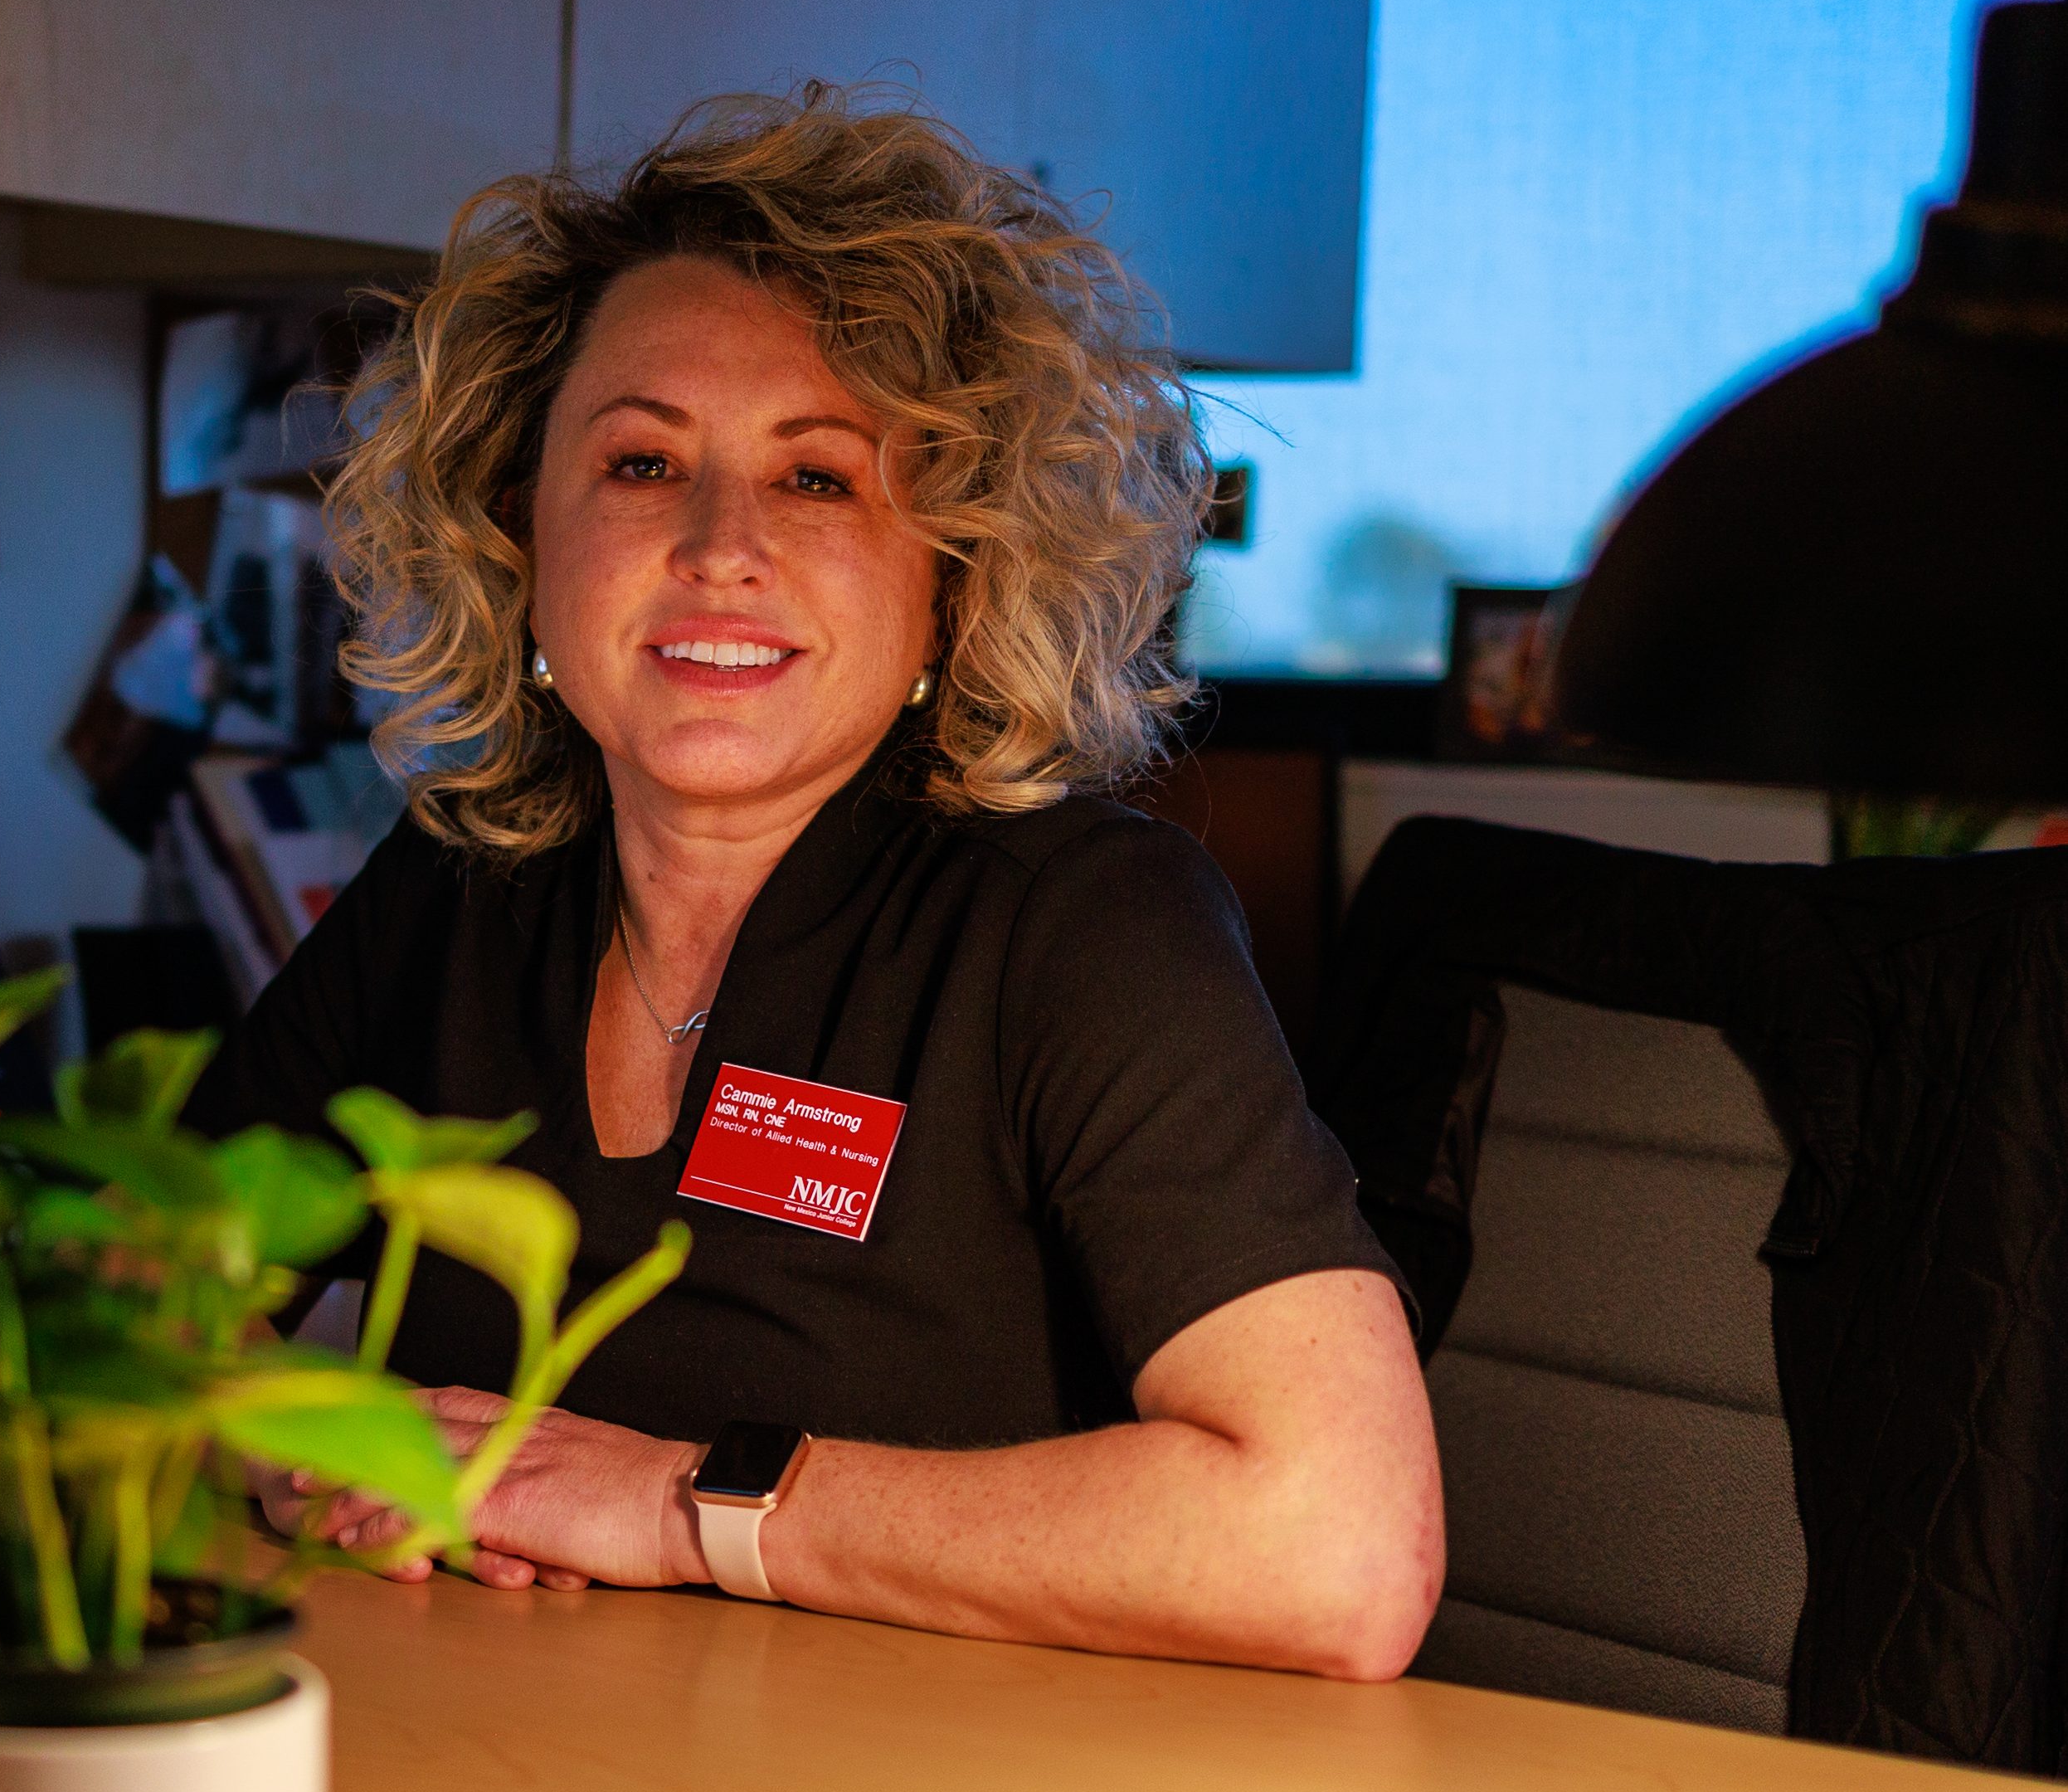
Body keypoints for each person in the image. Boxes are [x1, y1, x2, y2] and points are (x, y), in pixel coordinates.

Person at [187, 91, 1441, 1679]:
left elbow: (1337, 1547)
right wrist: (290, 1448)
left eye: (819, 480)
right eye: (644, 462)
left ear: (955, 570)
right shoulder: (461, 885)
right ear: (523, 536)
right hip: (494, 1791)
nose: (721, 547)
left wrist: (666, 1507)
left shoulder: (1081, 928)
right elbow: (109, 1319)